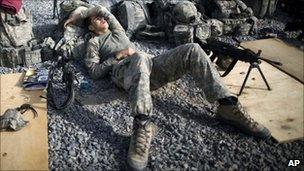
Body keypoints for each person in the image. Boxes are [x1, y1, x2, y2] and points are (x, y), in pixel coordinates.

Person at [64, 5, 271, 171]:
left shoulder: (116, 29)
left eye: (101, 18)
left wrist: (81, 13)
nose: (101, 20)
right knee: (140, 56)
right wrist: (118, 56)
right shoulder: (93, 42)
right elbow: (94, 71)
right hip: (123, 72)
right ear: (91, 28)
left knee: (192, 49)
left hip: (149, 67)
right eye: (95, 21)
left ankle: (227, 105)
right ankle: (142, 124)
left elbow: (102, 9)